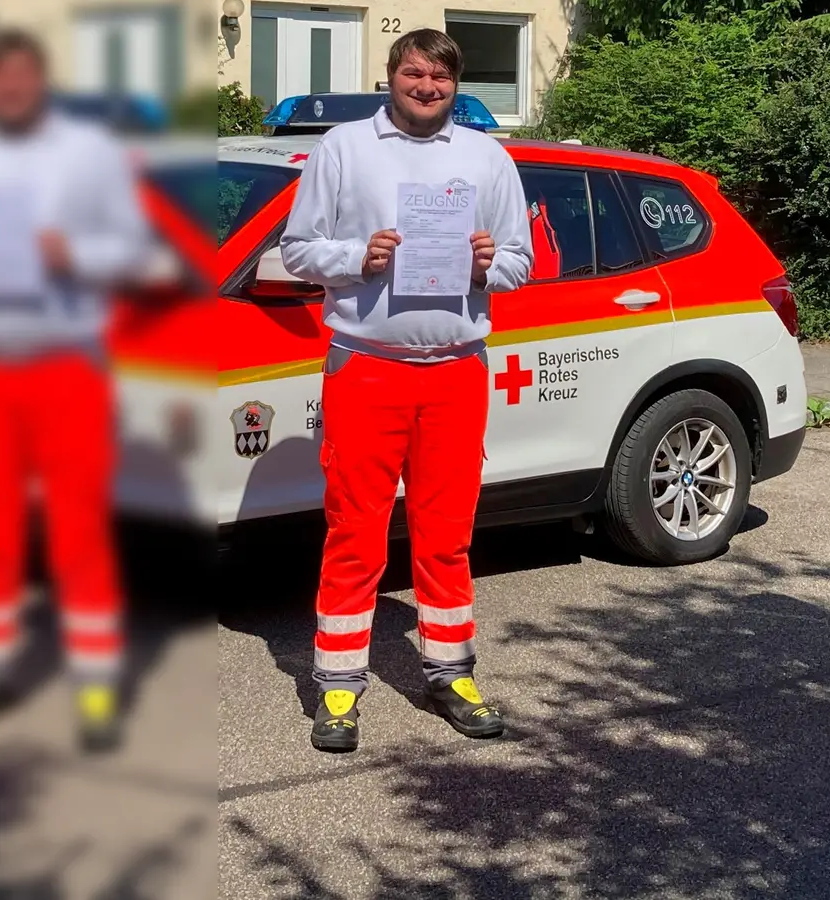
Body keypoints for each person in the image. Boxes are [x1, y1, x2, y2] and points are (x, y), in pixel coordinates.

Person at [281, 28, 532, 752]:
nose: (427, 86)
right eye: (414, 73)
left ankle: (450, 671)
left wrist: (489, 264)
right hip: (367, 363)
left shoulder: (486, 155)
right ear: (391, 74)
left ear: (456, 85)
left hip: (456, 368)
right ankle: (336, 684)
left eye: (441, 77)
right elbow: (297, 249)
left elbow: (522, 260)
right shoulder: (343, 148)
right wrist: (360, 255)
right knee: (355, 531)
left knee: (447, 533)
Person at [0, 29, 149, 752]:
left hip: (66, 365)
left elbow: (131, 250)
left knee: (78, 530)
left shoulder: (89, 155)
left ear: (41, 80)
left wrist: (72, 253)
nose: (10, 89)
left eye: (23, 76)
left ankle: (98, 683)